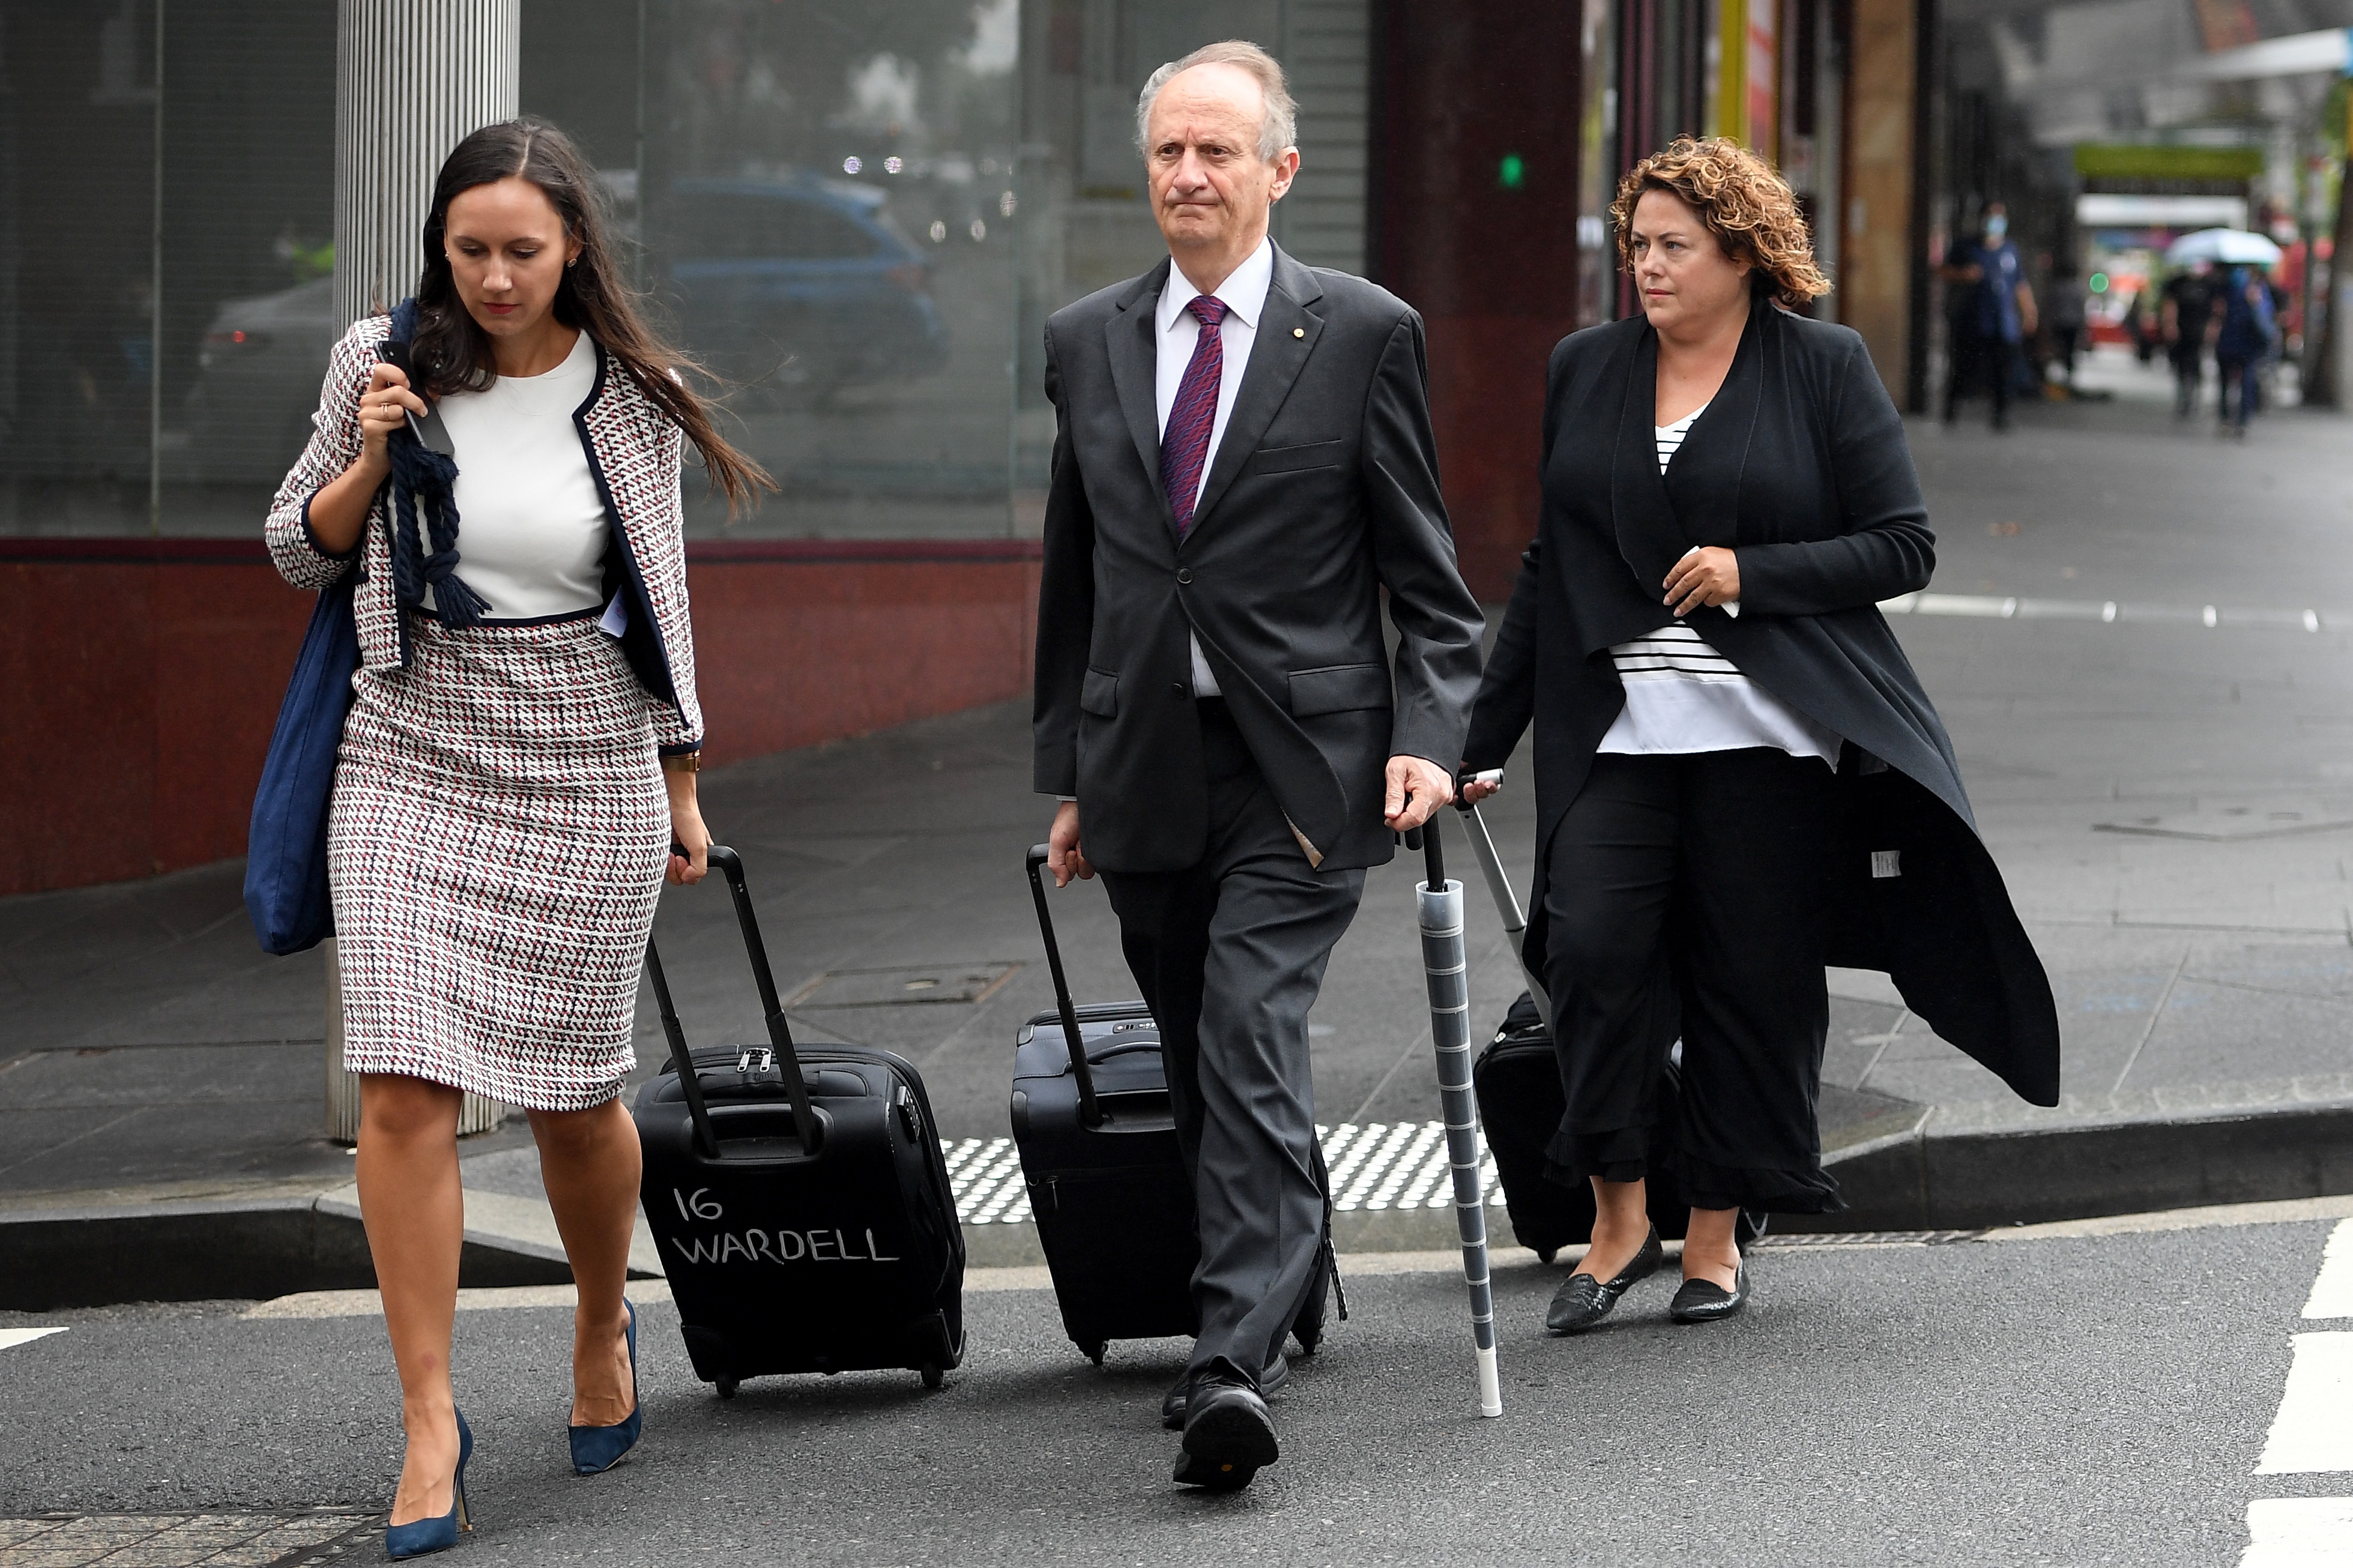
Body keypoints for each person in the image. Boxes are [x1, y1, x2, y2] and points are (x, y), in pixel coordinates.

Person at [264, 119, 770, 1558]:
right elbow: (297, 548)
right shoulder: (380, 357)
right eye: (467, 249)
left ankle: (602, 1320)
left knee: (571, 1090)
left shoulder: (631, 394)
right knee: (404, 1089)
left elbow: (661, 603)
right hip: (415, 734)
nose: (490, 277)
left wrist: (680, 784)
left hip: (586, 748)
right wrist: (367, 452)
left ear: (572, 254)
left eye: (520, 252)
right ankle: (430, 1419)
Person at [1458, 137, 2059, 1337]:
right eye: (1638, 244)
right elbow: (1550, 566)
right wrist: (1479, 733)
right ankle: (1619, 1214)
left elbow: (1902, 545)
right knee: (1591, 956)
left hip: (1769, 740)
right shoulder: (1588, 369)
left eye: (1675, 246)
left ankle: (1718, 1234)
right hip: (1620, 734)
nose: (1649, 266)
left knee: (1751, 979)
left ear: (1741, 253)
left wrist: (1749, 572)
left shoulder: (1820, 367)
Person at [1033, 40, 1483, 1491]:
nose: (1186, 174)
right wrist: (1068, 774)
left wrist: (1425, 739)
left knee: (1241, 1030)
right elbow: (1077, 574)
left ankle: (1225, 1363)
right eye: (1167, 150)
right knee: (1193, 1055)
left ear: (1279, 170)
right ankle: (1282, 1274)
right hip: (1144, 760)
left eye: (1216, 150)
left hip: (1303, 764)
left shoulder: (1357, 332)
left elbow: (1426, 579)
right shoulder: (1084, 338)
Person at [1941, 202, 2037, 430]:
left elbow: (2020, 284)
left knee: (2002, 371)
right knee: (1964, 367)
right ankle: (1951, 409)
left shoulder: (2010, 251)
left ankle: (2000, 415)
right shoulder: (1966, 247)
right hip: (1972, 320)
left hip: (2003, 323)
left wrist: (2030, 313)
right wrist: (1964, 275)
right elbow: (1943, 270)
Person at [2214, 262, 2276, 437]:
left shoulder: (2258, 291)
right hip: (2228, 344)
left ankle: (2242, 421)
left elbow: (2266, 320)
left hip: (2247, 346)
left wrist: (2255, 304)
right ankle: (2227, 419)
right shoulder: (2225, 290)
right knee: (2226, 384)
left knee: (2246, 384)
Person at [2162, 261, 2218, 418]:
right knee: (2180, 364)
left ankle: (2193, 395)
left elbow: (2215, 308)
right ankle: (2183, 395)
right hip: (2181, 330)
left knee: (2196, 363)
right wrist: (2170, 325)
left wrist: (2212, 327)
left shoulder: (2209, 285)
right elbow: (2170, 304)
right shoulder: (2177, 283)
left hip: (2199, 330)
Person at [2046, 258, 2087, 388]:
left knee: (2059, 348)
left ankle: (2061, 372)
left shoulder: (2057, 287)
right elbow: (2081, 308)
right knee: (2069, 350)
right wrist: (2083, 326)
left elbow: (2051, 306)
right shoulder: (2077, 288)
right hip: (2072, 323)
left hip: (2059, 322)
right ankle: (2067, 374)